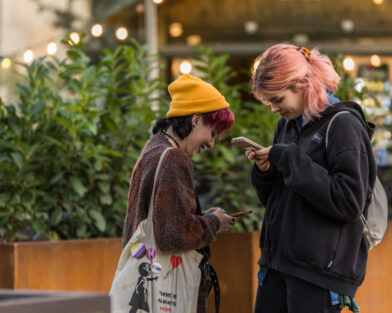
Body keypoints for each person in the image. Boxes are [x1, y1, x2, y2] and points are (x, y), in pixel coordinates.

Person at [245, 44, 377, 313]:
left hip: (318, 275)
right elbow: (275, 200)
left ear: (301, 85)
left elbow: (349, 202)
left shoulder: (344, 124)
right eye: (269, 101)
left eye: (277, 100)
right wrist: (266, 170)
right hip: (276, 265)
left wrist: (290, 158)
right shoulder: (287, 125)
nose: (273, 109)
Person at [122, 74, 237, 313]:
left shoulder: (153, 148)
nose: (212, 143)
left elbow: (166, 220)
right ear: (196, 120)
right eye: (213, 132)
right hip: (167, 291)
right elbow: (174, 234)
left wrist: (204, 218)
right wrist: (214, 223)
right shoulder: (173, 158)